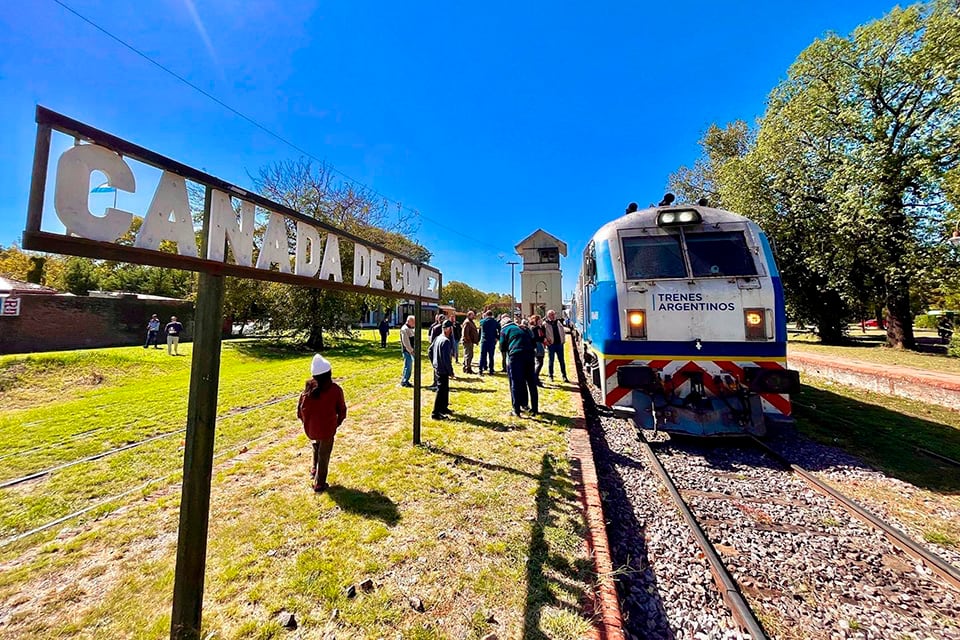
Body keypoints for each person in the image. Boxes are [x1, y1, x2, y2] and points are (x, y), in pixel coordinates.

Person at [297, 354, 347, 492]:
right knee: (324, 454)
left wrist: (308, 424)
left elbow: (299, 411)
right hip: (327, 429)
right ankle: (319, 483)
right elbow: (342, 410)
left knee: (316, 445)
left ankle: (314, 468)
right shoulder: (335, 390)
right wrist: (336, 423)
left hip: (311, 429)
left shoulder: (307, 391)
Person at [499, 315, 538, 417]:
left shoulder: (504, 330)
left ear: (502, 324)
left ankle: (516, 410)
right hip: (529, 354)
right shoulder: (522, 328)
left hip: (516, 356)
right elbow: (533, 341)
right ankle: (534, 408)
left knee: (515, 382)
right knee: (531, 382)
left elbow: (502, 347)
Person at [431, 320, 455, 419]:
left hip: (438, 367)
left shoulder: (438, 338)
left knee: (445, 389)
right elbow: (446, 359)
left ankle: (444, 408)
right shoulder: (445, 341)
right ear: (448, 329)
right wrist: (451, 371)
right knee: (441, 390)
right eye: (451, 329)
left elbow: (430, 351)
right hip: (442, 369)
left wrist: (434, 362)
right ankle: (435, 413)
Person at [544, 309, 569, 382]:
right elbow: (543, 335)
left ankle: (564, 376)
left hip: (559, 344)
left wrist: (563, 340)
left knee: (562, 361)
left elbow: (562, 331)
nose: (553, 316)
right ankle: (551, 375)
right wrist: (546, 342)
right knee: (551, 361)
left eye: (554, 314)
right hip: (551, 345)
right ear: (548, 316)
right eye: (551, 315)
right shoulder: (545, 324)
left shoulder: (558, 322)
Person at [478, 310, 500, 375]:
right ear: (492, 315)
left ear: (486, 315)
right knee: (491, 356)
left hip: (484, 340)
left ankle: (480, 370)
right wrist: (497, 337)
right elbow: (499, 329)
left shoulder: (483, 321)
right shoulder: (495, 322)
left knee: (483, 356)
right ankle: (491, 370)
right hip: (492, 340)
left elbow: (480, 324)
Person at [528, 314, 547, 387]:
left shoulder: (539, 327)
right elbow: (537, 337)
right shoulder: (534, 328)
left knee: (539, 362)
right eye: (539, 320)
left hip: (539, 345)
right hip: (537, 345)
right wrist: (543, 339)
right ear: (535, 321)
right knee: (539, 362)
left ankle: (536, 377)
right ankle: (535, 378)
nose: (540, 321)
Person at [399, 314, 417, 387]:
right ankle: (404, 381)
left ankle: (406, 380)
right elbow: (406, 342)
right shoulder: (404, 329)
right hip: (407, 351)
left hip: (411, 350)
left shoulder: (410, 328)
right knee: (408, 366)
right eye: (414, 322)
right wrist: (411, 350)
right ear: (409, 321)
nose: (415, 323)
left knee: (409, 366)